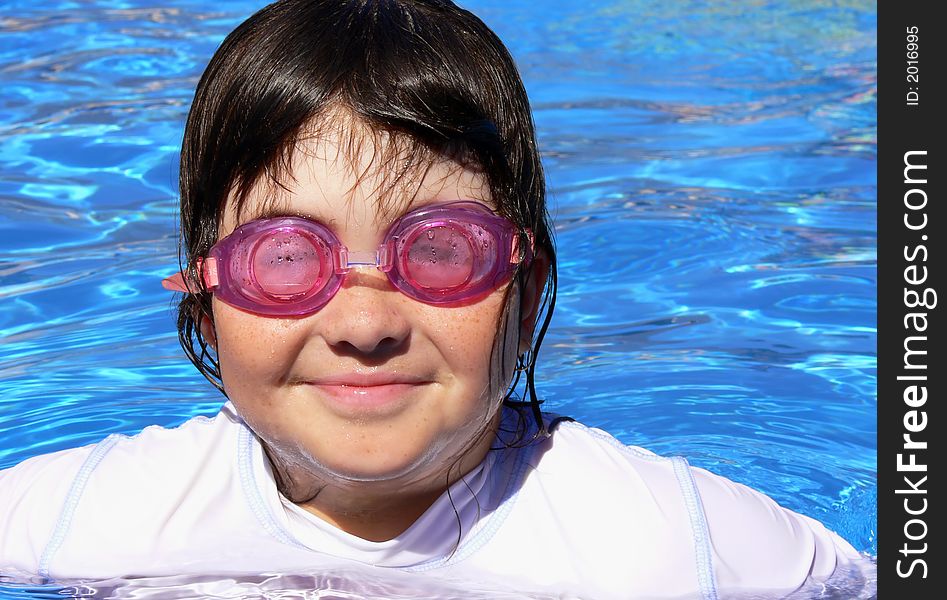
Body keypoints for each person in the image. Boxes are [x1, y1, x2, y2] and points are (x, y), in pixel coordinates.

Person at [0, 1, 870, 598]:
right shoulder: (77, 520)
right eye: (285, 258)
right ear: (205, 303)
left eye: (442, 252)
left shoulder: (679, 548)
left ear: (525, 295)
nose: (365, 324)